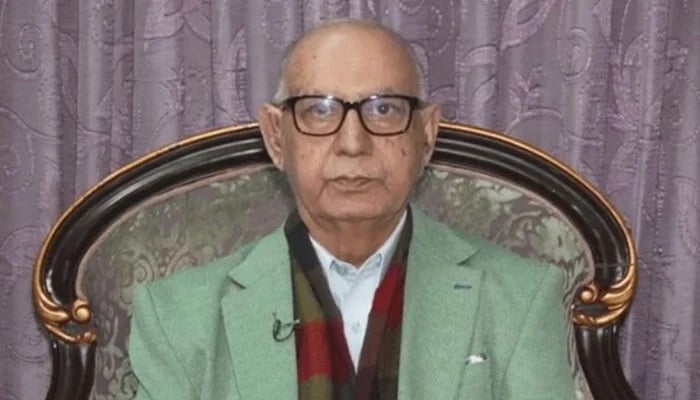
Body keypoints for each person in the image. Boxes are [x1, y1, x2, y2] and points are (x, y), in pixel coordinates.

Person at [128, 19, 577, 400]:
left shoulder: (518, 300)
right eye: (320, 110)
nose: (353, 143)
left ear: (426, 135)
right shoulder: (178, 317)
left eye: (384, 109)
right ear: (276, 138)